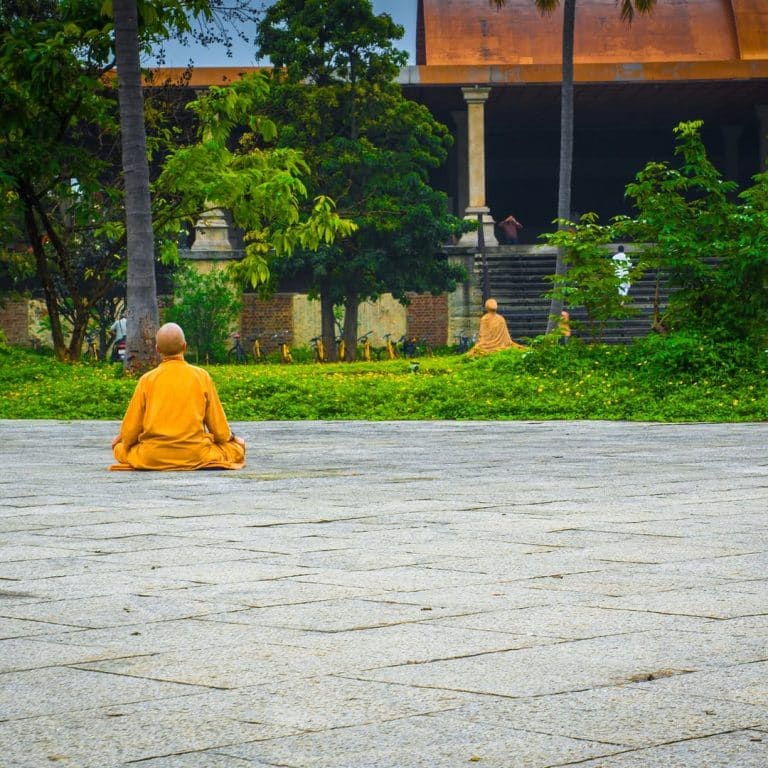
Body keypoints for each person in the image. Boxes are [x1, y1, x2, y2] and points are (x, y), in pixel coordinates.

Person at [111, 322, 246, 471]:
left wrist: (123, 443)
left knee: (120, 449)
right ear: (184, 346)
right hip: (195, 454)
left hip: (152, 456)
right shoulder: (201, 376)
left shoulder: (147, 379)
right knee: (236, 449)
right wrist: (233, 439)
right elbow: (220, 431)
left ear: (157, 349)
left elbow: (130, 432)